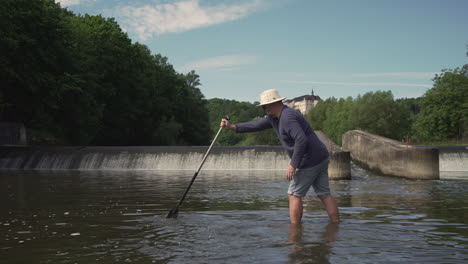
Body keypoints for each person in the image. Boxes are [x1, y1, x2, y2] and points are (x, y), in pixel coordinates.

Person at [220, 89, 340, 224]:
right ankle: (336, 225)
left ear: (273, 103)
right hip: (321, 156)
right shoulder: (274, 118)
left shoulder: (287, 117)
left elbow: (301, 140)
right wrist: (231, 126)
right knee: (324, 194)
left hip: (309, 160)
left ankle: (295, 233)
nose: (264, 109)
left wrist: (293, 164)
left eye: (264, 106)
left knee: (294, 195)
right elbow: (255, 125)